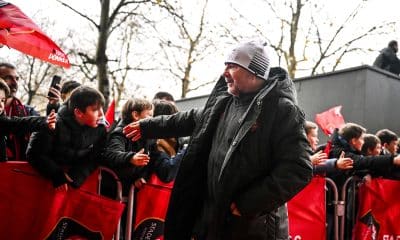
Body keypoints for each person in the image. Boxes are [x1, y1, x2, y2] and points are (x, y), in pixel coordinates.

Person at [123, 39, 312, 240]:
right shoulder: (224, 104)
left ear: (254, 72)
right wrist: (147, 126)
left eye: (232, 66)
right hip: (215, 223)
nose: (224, 73)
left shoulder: (282, 110)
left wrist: (249, 204)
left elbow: (298, 169)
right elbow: (188, 118)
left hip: (252, 228)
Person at [27, 86, 107, 191]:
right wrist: (56, 174)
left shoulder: (100, 129)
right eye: (95, 110)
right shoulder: (52, 123)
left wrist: (77, 175)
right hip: (40, 185)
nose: (102, 114)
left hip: (72, 187)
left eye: (101, 108)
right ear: (79, 113)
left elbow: (96, 155)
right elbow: (35, 153)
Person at [0, 79, 56, 161]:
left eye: (2, 100)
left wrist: (45, 121)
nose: (0, 105)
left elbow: (19, 123)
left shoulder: (2, 120)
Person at [0, 63, 40, 161]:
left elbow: (45, 139)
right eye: (8, 78)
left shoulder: (29, 112)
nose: (15, 83)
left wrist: (53, 107)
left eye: (17, 79)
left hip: (20, 173)